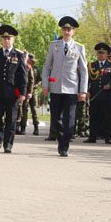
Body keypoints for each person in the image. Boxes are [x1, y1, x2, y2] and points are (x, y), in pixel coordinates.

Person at [41, 16, 87, 158]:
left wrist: (83, 91)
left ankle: (64, 146)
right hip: (56, 88)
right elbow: (47, 66)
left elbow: (83, 70)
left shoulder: (79, 47)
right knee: (55, 118)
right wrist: (45, 84)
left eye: (69, 29)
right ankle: (61, 141)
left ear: (73, 31)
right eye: (64, 29)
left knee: (70, 120)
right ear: (62, 31)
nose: (66, 32)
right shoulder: (54, 45)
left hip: (72, 88)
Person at [0, 24, 28, 154]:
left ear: (13, 40)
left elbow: (24, 76)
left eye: (9, 38)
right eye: (4, 38)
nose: (6, 40)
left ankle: (8, 144)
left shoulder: (19, 55)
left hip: (13, 93)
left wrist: (23, 93)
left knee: (11, 119)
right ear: (1, 40)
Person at [85, 43, 111, 144]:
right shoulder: (91, 65)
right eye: (99, 53)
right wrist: (86, 91)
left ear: (107, 55)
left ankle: (108, 137)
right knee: (93, 116)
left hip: (107, 96)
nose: (101, 55)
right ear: (97, 54)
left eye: (103, 53)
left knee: (106, 117)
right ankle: (92, 137)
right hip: (94, 96)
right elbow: (87, 80)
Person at [17, 54, 40, 136]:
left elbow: (35, 80)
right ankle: (19, 127)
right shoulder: (21, 66)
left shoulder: (35, 68)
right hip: (21, 91)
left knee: (33, 110)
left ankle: (35, 127)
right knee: (20, 108)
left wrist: (32, 89)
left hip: (32, 92)